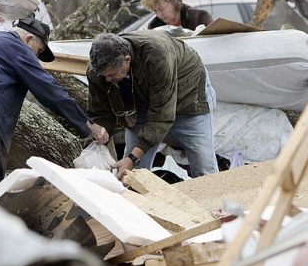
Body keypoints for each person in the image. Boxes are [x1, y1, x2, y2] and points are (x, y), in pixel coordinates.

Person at [0, 18, 109, 196]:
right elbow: (50, 92)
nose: (36, 57)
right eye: (38, 51)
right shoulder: (19, 49)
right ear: (29, 39)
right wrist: (88, 126)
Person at [87, 31, 218, 180]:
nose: (108, 80)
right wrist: (100, 127)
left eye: (112, 74)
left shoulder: (157, 56)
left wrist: (133, 158)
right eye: (104, 76)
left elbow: (161, 116)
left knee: (204, 168)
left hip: (188, 96)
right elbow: (99, 110)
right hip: (143, 103)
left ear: (127, 59)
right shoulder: (98, 71)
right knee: (131, 174)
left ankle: (213, 200)